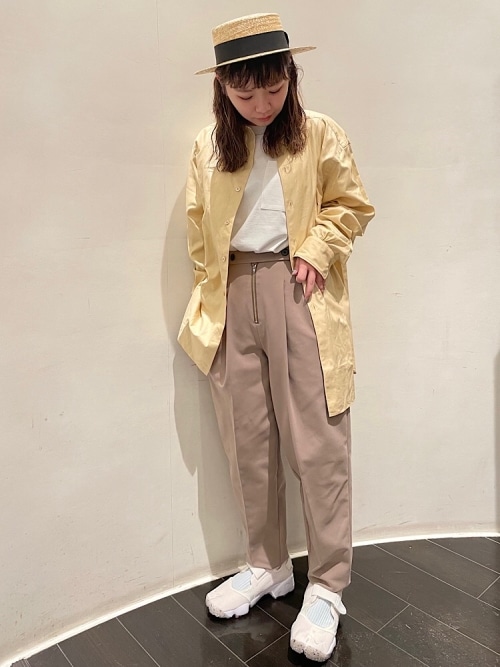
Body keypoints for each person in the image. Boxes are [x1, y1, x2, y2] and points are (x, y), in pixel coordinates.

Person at [178, 12, 375, 662]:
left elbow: (351, 205)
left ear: (291, 75)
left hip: (300, 289)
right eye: (245, 92)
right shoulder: (209, 147)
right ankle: (267, 564)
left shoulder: (318, 134)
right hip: (231, 296)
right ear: (223, 87)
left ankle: (328, 584)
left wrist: (317, 248)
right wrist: (212, 291)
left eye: (274, 87)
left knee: (319, 442)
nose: (262, 104)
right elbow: (199, 222)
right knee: (248, 442)